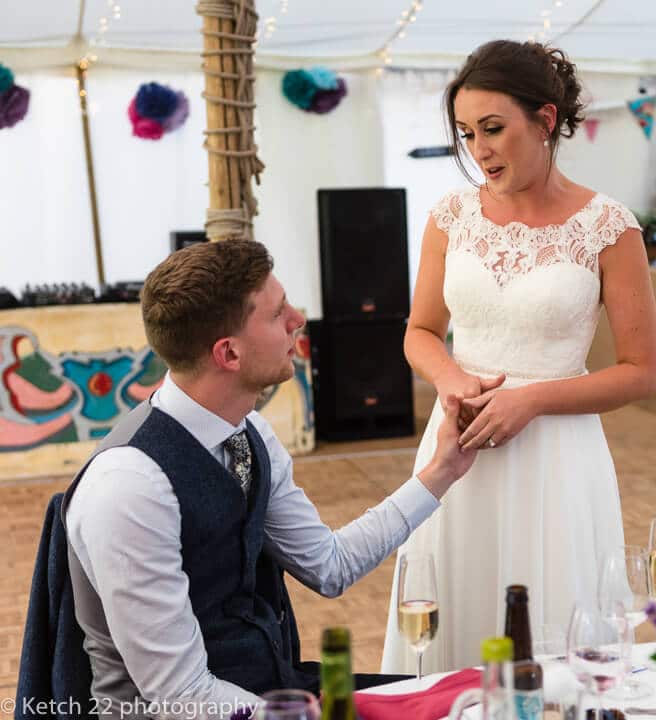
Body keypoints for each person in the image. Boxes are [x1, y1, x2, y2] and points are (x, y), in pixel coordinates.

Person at [64, 239, 479, 717]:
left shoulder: (248, 430)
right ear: (229, 354)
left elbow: (329, 565)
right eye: (278, 312)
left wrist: (441, 471)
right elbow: (182, 696)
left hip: (276, 691)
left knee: (473, 697)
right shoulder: (129, 487)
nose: (298, 319)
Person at [380, 40, 656, 673]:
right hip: (459, 447)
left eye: (493, 129)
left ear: (546, 120)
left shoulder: (609, 227)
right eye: (466, 133)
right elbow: (420, 330)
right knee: (452, 608)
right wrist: (452, 379)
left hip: (557, 461)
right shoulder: (449, 217)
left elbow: (641, 372)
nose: (478, 150)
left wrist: (530, 399)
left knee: (551, 633)